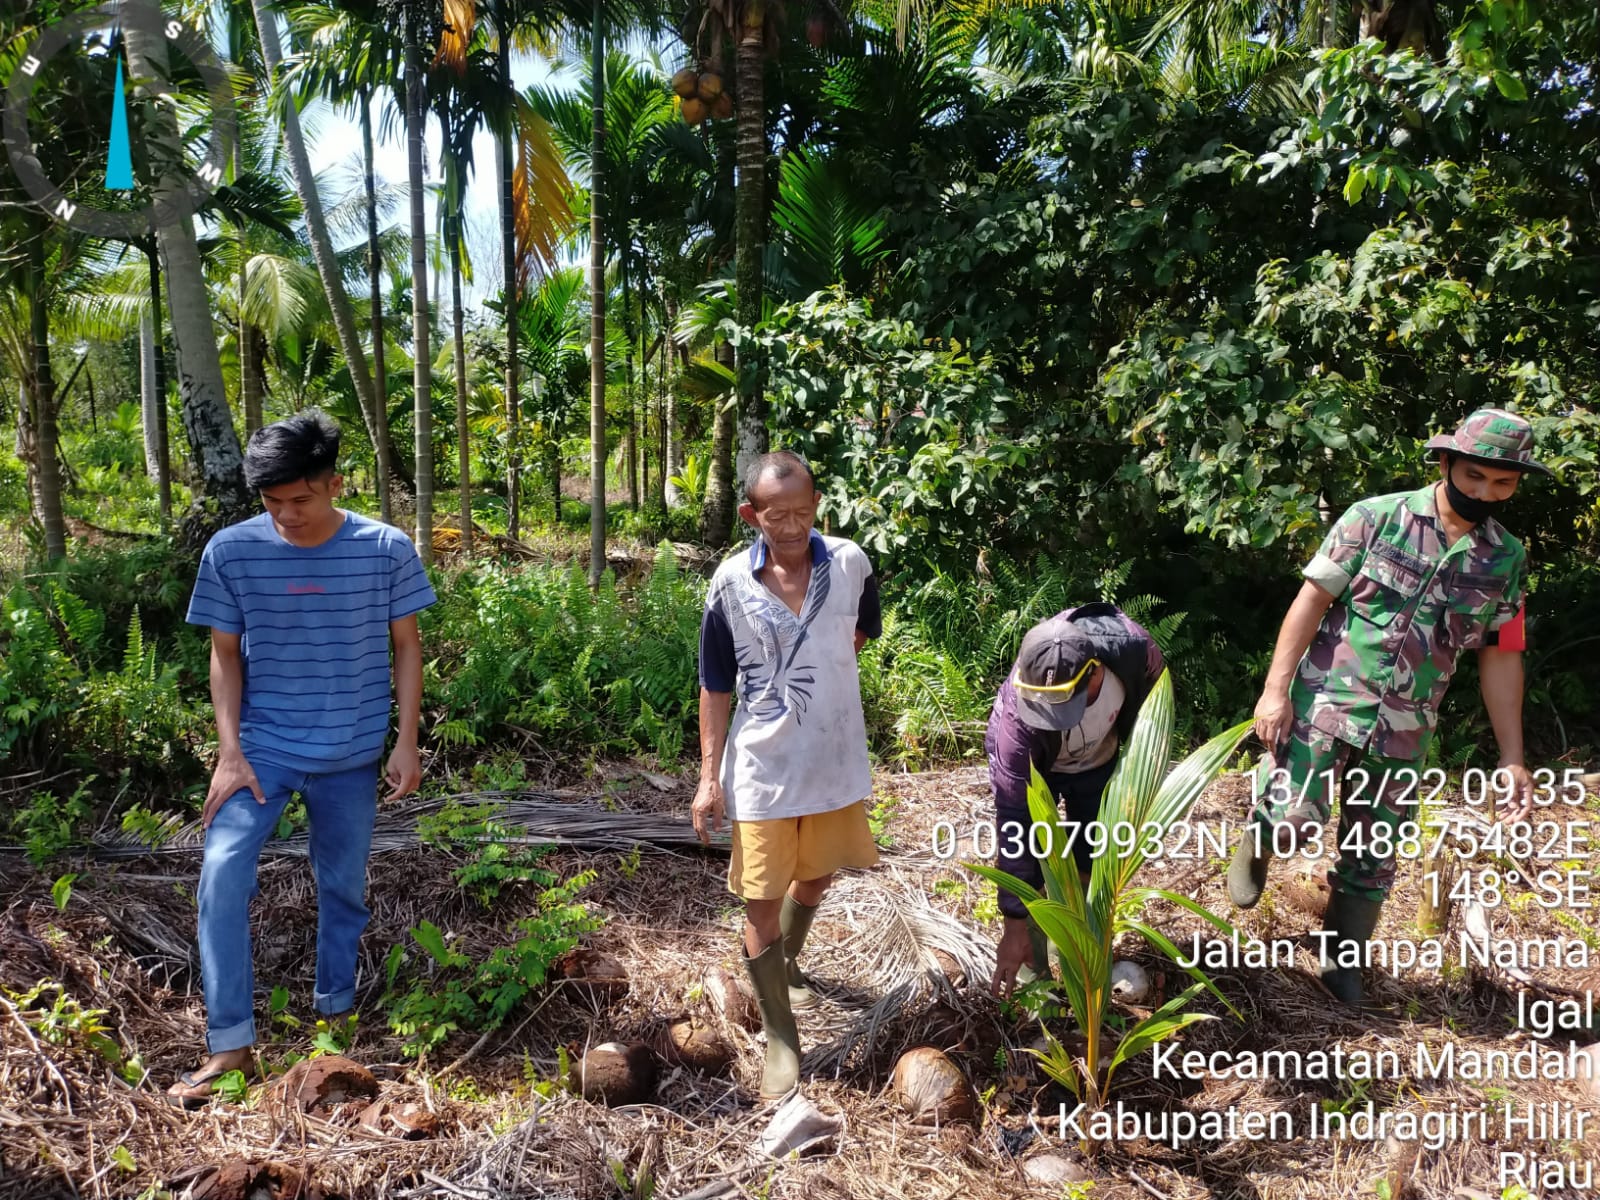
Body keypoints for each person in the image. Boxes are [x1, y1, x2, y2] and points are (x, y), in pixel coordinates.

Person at [1227, 407, 1547, 1005]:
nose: (1486, 493)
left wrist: (1511, 757)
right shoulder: (1376, 519)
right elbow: (1311, 601)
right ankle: (1263, 832)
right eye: (1476, 476)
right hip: (1327, 699)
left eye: (1503, 484)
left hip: (1407, 725)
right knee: (1296, 822)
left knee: (1374, 850)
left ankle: (1339, 960)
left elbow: (1501, 655)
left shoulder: (1504, 560)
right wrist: (1275, 691)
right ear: (1448, 462)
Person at [167, 410, 435, 1106]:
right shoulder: (230, 552)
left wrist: (406, 740)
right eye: (272, 502)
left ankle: (335, 1015)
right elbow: (223, 656)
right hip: (262, 751)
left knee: (342, 884)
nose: (287, 514)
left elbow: (406, 645)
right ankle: (231, 1045)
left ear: (334, 484)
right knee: (222, 871)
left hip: (350, 751)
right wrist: (229, 753)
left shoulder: (385, 549)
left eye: (301, 499)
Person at [691, 450, 882, 1099]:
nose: (795, 527)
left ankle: (791, 962)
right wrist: (707, 777)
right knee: (762, 896)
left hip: (831, 759)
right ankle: (781, 1034)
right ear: (752, 514)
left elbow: (859, 633)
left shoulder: (852, 563)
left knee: (820, 871)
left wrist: (817, 682)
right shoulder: (729, 583)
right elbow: (715, 683)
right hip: (763, 766)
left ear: (817, 507)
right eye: (780, 516)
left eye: (805, 512)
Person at [986, 604, 1165, 997]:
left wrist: (1140, 770)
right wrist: (1014, 921)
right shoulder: (1014, 728)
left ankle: (1079, 954)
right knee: (1035, 855)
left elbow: (1157, 706)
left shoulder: (1133, 649)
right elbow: (1014, 823)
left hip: (1099, 763)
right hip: (1040, 769)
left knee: (1090, 851)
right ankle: (1036, 968)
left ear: (1095, 671)